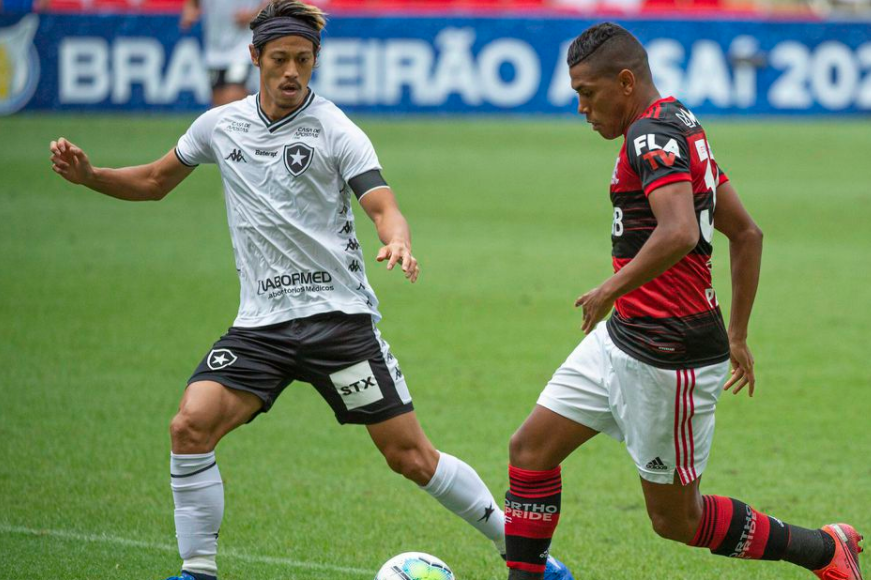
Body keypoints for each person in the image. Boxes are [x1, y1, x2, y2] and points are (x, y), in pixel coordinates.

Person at [48, 2, 570, 579]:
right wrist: (91, 177)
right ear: (255, 59)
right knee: (189, 426)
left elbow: (382, 203)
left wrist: (396, 240)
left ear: (316, 60)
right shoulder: (219, 126)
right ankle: (196, 571)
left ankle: (531, 559)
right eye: (279, 60)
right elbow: (152, 181)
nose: (291, 71)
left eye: (303, 59)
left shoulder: (334, 128)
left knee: (410, 457)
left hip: (337, 324)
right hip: (260, 328)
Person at [502, 23, 864, 580]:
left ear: (625, 81)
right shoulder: (681, 124)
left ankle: (824, 549)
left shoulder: (651, 136)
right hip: (624, 335)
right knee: (529, 451)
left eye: (586, 92)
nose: (581, 107)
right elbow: (746, 233)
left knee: (676, 521)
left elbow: (676, 232)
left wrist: (608, 288)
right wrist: (737, 335)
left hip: (668, 356)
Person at [181, 0, 266, 107]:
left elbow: (273, 3)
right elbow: (193, 3)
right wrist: (190, 13)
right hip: (214, 52)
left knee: (234, 102)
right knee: (219, 107)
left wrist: (254, 15)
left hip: (242, 48)